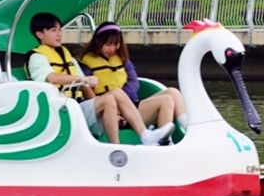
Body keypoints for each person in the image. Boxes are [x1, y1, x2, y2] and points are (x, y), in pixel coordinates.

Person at [26, 13, 173, 146]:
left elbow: (85, 86)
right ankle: (117, 146)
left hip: (77, 106)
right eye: (53, 30)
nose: (59, 34)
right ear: (39, 34)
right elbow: (52, 78)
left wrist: (98, 103)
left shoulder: (66, 55)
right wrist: (84, 80)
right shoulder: (37, 57)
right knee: (109, 99)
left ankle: (144, 137)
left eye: (59, 29)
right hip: (59, 110)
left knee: (113, 95)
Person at [80, 22, 189, 133]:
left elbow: (134, 82)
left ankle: (187, 129)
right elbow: (88, 93)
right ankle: (162, 141)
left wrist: (123, 100)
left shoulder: (122, 59)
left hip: (130, 106)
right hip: (110, 111)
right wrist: (115, 106)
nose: (112, 49)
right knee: (166, 100)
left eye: (116, 44)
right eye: (108, 44)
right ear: (98, 41)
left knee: (172, 93)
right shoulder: (86, 63)